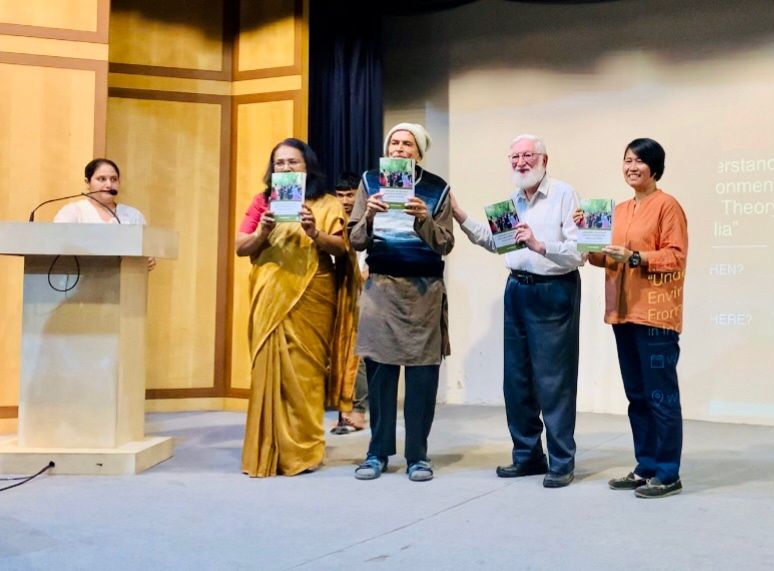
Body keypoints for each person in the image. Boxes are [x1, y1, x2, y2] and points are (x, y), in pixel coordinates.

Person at [451, 134, 582, 488]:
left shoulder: (563, 194)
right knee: (518, 380)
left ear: (544, 159)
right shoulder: (512, 201)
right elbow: (498, 244)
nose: (520, 162)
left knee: (554, 381)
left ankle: (561, 461)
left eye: (527, 155)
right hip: (517, 289)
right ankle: (527, 456)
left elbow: (578, 252)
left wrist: (540, 245)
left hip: (553, 290)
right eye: (514, 157)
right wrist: (461, 215)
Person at [235, 138, 357, 477]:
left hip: (313, 293)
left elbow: (343, 247)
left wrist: (314, 232)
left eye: (293, 162)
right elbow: (240, 246)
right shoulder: (263, 202)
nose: (286, 168)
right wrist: (262, 232)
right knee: (267, 370)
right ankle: (267, 450)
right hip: (268, 294)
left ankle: (303, 450)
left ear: (307, 167)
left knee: (306, 375)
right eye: (280, 163)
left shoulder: (327, 202)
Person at [578, 138, 688, 498]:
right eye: (627, 160)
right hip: (623, 314)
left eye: (639, 161)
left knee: (661, 396)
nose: (631, 167)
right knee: (638, 396)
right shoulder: (620, 209)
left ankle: (668, 472)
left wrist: (635, 257)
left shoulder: (668, 206)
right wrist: (586, 235)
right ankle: (646, 467)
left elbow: (675, 257)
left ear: (654, 167)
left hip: (655, 315)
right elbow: (602, 259)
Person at [349, 123, 454, 482]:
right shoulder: (370, 182)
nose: (400, 149)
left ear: (419, 152)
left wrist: (423, 219)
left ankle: (418, 457)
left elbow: (445, 244)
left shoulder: (437, 189)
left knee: (423, 379)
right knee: (380, 376)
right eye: (394, 143)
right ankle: (376, 453)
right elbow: (355, 239)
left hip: (423, 294)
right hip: (381, 292)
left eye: (408, 144)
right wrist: (371, 215)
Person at [54, 158, 155, 269]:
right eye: (101, 179)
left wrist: (148, 259)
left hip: (126, 282)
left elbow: (147, 252)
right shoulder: (73, 212)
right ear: (87, 182)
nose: (109, 185)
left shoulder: (133, 215)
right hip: (81, 281)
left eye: (113, 179)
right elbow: (58, 247)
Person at [331, 171, 369, 434]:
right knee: (339, 352)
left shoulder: (366, 220)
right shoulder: (330, 220)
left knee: (359, 354)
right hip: (336, 293)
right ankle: (343, 411)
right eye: (340, 195)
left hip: (363, 292)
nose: (345, 200)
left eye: (350, 194)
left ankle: (357, 412)